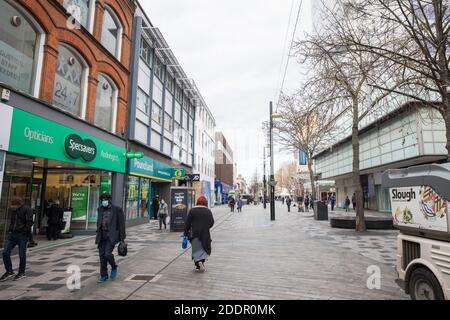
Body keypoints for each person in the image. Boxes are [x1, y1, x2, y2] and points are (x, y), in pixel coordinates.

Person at [1, 197, 33, 282]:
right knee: (5, 252)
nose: (11, 206)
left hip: (22, 236)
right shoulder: (14, 211)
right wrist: (10, 231)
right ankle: (9, 271)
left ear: (17, 204)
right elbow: (12, 222)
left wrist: (24, 232)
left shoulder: (27, 209)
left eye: (12, 204)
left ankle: (21, 272)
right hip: (13, 235)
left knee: (22, 254)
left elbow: (29, 222)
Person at [95, 193, 126, 283]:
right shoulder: (99, 209)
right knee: (102, 256)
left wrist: (122, 238)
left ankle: (114, 266)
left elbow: (121, 225)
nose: (104, 201)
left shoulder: (117, 209)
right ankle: (103, 275)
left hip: (111, 236)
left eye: (105, 199)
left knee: (107, 254)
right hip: (101, 235)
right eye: (102, 200)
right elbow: (99, 222)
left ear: (109, 200)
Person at [184, 196, 214, 272]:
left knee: (196, 248)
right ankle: (201, 262)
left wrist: (185, 233)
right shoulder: (208, 211)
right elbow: (211, 223)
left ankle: (197, 264)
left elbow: (187, 223)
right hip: (205, 233)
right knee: (204, 248)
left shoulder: (192, 211)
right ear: (205, 203)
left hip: (194, 233)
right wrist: (206, 226)